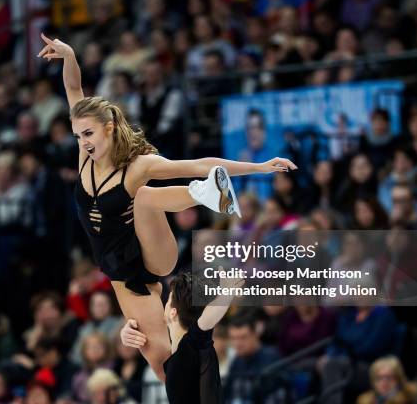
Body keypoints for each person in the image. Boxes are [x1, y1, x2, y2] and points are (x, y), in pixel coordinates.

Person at [37, 33, 297, 381]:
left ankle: (205, 194)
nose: (83, 143)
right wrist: (69, 55)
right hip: (122, 277)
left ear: (110, 128)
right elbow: (74, 89)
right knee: (162, 366)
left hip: (151, 256)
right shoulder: (85, 160)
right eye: (77, 136)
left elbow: (197, 162)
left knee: (143, 194)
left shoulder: (138, 165)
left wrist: (260, 167)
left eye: (89, 134)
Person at [119, 271, 243, 403]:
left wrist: (226, 294)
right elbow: (151, 345)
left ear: (173, 312)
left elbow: (206, 322)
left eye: (168, 300)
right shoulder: (178, 355)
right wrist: (129, 333)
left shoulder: (190, 349)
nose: (164, 305)